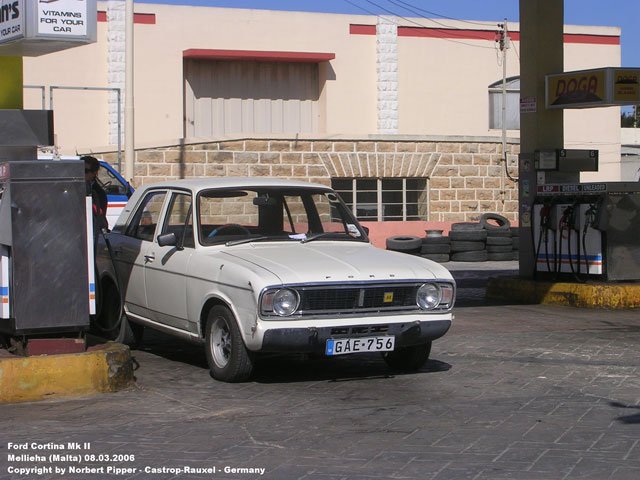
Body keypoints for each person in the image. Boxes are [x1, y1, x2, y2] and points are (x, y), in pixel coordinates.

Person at [82, 155, 109, 240]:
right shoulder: (73, 188)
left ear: (94, 173)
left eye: (85, 171)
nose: (81, 173)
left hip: (90, 235)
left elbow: (98, 215)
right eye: (79, 169)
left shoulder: (98, 193)